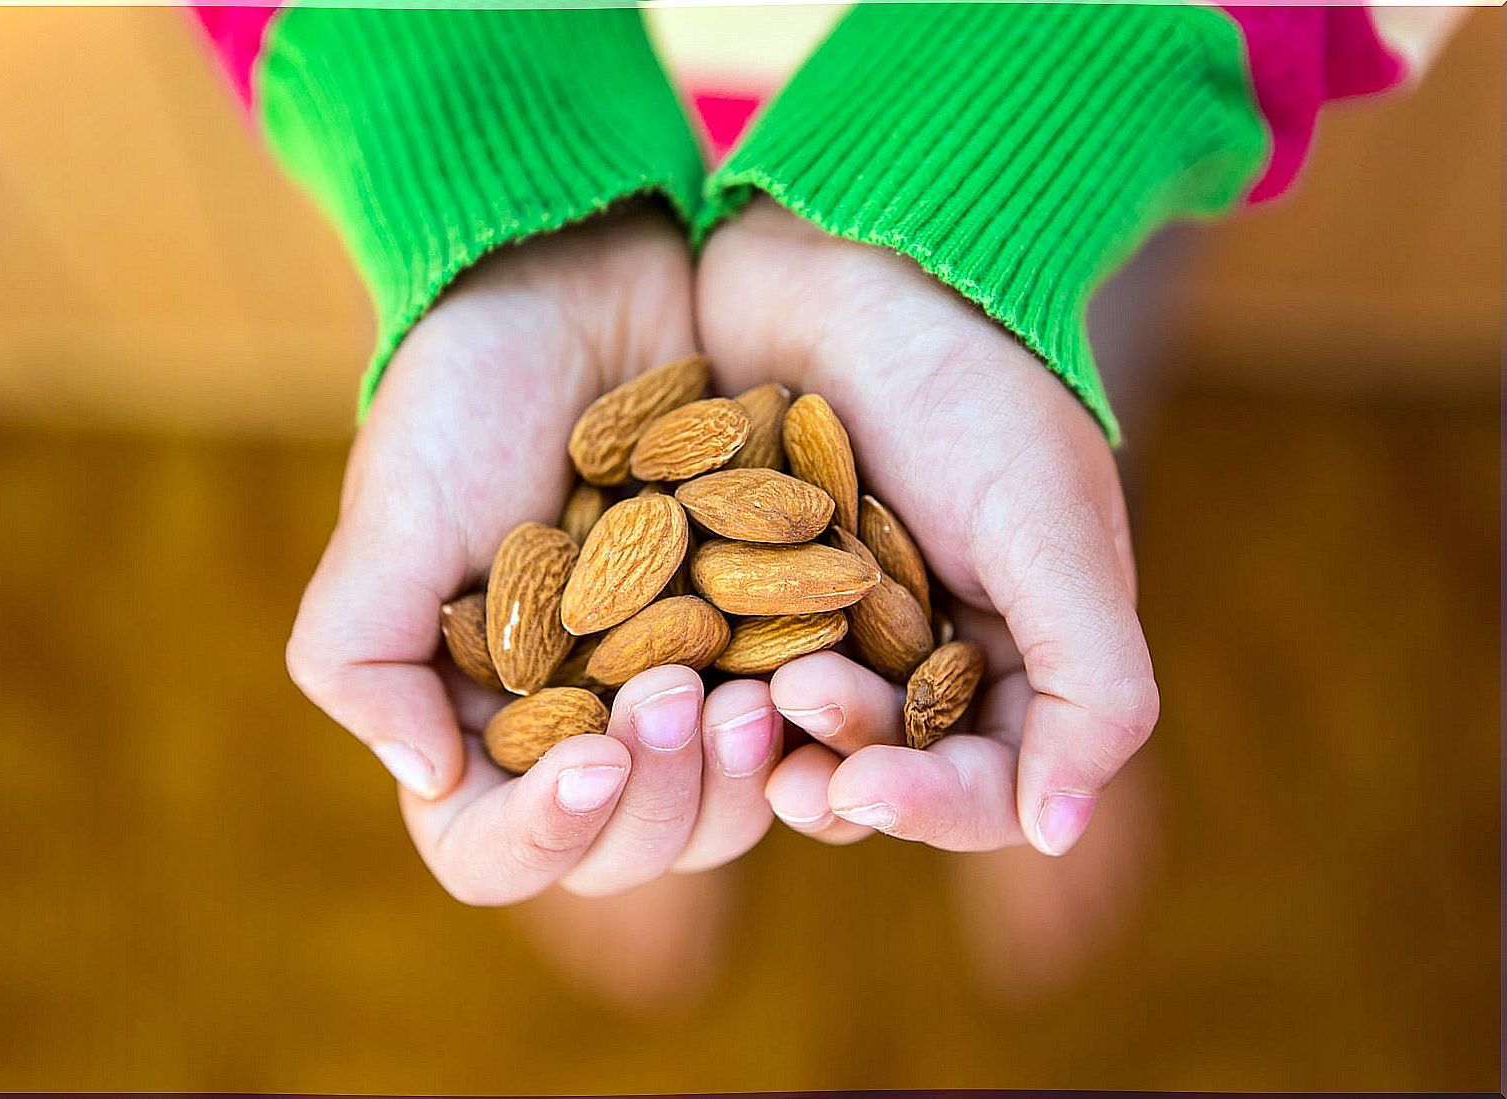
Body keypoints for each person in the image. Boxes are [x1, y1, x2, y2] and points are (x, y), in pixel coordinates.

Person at [196, 2, 1461, 1005]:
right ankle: (632, 776)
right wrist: (486, 183)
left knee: (1038, 439)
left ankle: (1035, 687)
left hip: (1049, 137)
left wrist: (1078, 79)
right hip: (554, 124)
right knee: (675, 736)